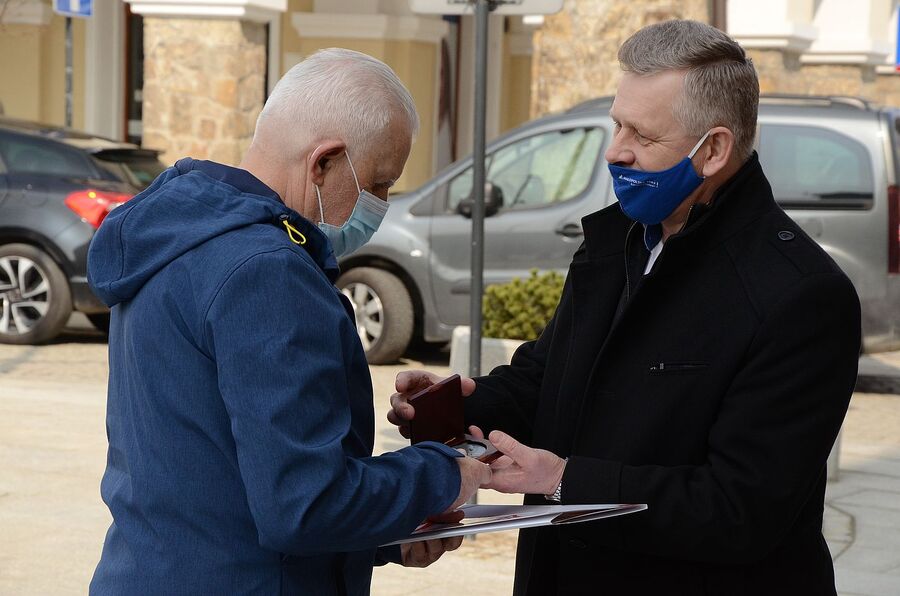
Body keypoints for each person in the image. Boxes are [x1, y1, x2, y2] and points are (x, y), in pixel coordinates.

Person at [390, 20, 860, 595]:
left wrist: (564, 480)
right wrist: (459, 406)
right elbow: (551, 379)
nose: (616, 151)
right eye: (617, 124)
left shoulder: (801, 295)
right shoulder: (617, 242)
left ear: (713, 149)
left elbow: (742, 509)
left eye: (642, 134)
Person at [87, 48, 491, 595]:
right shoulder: (268, 271)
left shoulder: (178, 238)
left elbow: (214, 478)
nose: (383, 203)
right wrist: (445, 474)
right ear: (323, 162)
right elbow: (304, 505)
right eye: (379, 184)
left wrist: (384, 533)